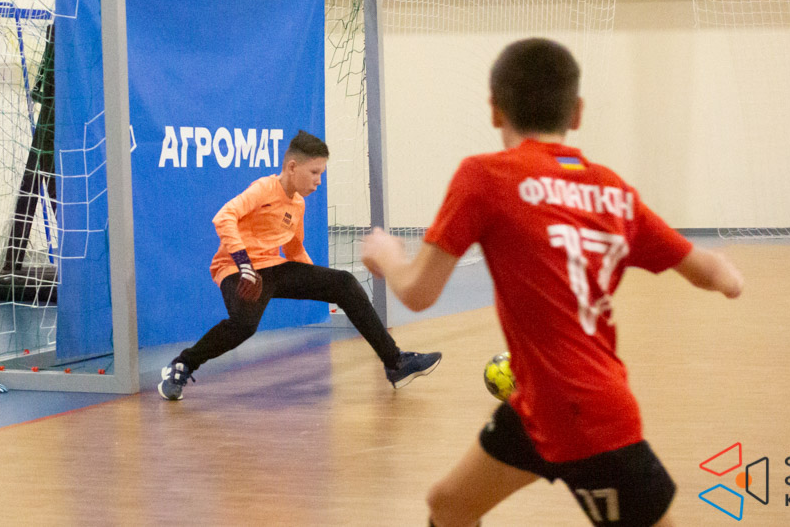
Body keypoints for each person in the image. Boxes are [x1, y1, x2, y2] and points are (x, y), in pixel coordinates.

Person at [361, 39, 743, 527]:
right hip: (538, 406)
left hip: (585, 415)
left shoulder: (485, 176)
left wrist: (389, 257)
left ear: (495, 110)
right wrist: (730, 278)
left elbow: (418, 293)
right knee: (448, 506)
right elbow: (709, 272)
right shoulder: (612, 190)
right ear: (577, 113)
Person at [159, 130, 441, 401]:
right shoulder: (264, 188)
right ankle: (183, 364)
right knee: (244, 325)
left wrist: (321, 284)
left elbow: (294, 249)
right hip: (236, 268)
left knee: (343, 283)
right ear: (292, 167)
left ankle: (395, 363)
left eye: (322, 174)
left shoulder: (297, 204)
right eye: (314, 172)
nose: (319, 181)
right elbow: (224, 217)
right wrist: (244, 264)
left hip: (273, 268)